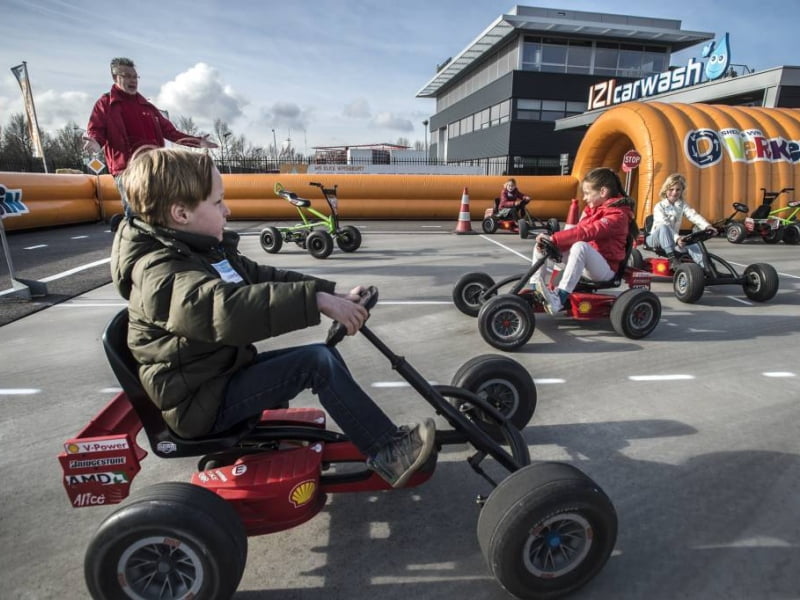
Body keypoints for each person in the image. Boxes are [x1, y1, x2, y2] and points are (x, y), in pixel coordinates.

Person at [110, 147, 435, 488]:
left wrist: (330, 295)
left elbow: (262, 277)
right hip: (199, 406)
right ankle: (388, 452)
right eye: (218, 203)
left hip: (217, 377)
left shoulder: (195, 250)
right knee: (315, 362)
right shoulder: (158, 271)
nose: (228, 210)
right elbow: (224, 309)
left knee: (321, 357)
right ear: (181, 214)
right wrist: (315, 302)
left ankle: (384, 441)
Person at [84, 57, 217, 216]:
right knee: (136, 213)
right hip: (128, 170)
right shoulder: (105, 103)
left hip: (155, 168)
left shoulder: (147, 106)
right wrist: (95, 143)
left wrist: (198, 142)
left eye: (134, 76)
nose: (132, 80)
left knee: (161, 213)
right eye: (126, 76)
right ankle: (135, 237)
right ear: (115, 78)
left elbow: (171, 133)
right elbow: (97, 130)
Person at [530, 167, 635, 314]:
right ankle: (535, 287)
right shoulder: (592, 210)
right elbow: (575, 232)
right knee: (541, 245)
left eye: (587, 193)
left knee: (580, 247)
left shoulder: (618, 216)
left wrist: (555, 239)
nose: (584, 198)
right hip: (586, 263)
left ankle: (558, 299)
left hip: (605, 269)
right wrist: (551, 243)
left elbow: (586, 232)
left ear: (603, 192)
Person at [646, 173, 716, 268]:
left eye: (678, 190)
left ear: (682, 191)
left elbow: (693, 215)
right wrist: (677, 238)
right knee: (663, 227)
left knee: (692, 241)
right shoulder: (659, 206)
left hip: (673, 239)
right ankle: (672, 259)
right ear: (666, 190)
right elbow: (664, 223)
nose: (674, 192)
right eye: (671, 189)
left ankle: (707, 267)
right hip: (655, 239)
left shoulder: (682, 205)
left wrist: (707, 226)